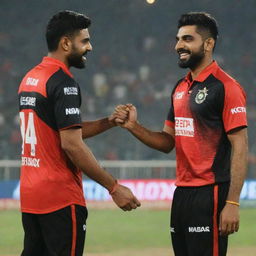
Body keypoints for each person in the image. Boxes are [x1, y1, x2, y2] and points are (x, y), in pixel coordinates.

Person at [114, 12, 248, 256]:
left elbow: (240, 146)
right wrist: (134, 127)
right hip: (182, 195)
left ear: (209, 44)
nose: (179, 46)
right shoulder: (180, 87)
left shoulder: (226, 87)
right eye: (178, 39)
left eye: (188, 39)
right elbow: (167, 142)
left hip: (212, 194)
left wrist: (232, 202)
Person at [18, 10, 140, 256]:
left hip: (31, 198)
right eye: (84, 41)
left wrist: (109, 121)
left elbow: (63, 131)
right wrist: (113, 187)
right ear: (65, 43)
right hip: (60, 199)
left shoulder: (31, 78)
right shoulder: (63, 82)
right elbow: (71, 144)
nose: (90, 47)